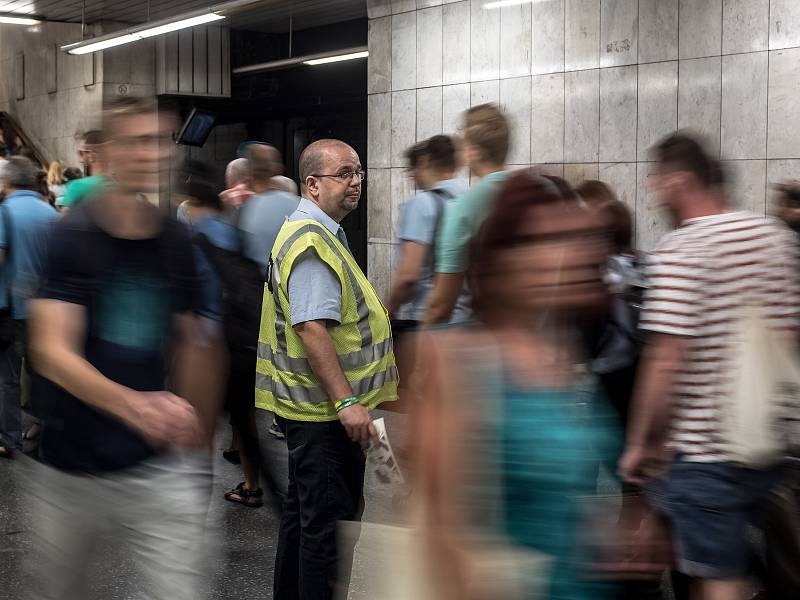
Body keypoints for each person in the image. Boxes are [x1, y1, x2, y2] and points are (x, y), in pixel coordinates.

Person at [25, 97, 217, 600]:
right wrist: (135, 405)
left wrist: (196, 439)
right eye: (139, 141)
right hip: (73, 464)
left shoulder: (175, 239)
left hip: (154, 464)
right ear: (107, 153)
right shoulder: (74, 235)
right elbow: (51, 349)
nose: (155, 153)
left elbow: (190, 335)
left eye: (162, 140)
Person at [413, 171, 620, 599]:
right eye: (538, 242)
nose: (560, 257)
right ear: (499, 256)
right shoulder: (460, 360)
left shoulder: (565, 349)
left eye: (567, 240)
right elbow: (443, 533)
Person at [619, 133, 800, 600]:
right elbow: (790, 337)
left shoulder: (684, 248)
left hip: (705, 454)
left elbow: (665, 360)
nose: (654, 192)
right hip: (767, 440)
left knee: (718, 577)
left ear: (680, 180)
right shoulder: (774, 237)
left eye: (657, 181)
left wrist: (641, 443)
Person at [256, 139, 398, 599]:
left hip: (315, 414)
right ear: (313, 184)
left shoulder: (315, 231)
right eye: (344, 174)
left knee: (304, 522)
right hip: (325, 416)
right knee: (329, 532)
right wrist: (347, 400)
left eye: (359, 172)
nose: (355, 182)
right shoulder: (312, 242)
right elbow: (311, 327)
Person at [423, 103, 510, 324]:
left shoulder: (465, 207)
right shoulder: (532, 189)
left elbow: (440, 305)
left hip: (489, 337)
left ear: (473, 151)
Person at [0, 157, 58, 459]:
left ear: (8, 182)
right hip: (46, 309)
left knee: (7, 378)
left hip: (11, 310)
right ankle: (46, 434)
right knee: (43, 375)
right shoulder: (49, 211)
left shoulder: (4, 211)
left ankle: (9, 439)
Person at [387, 135, 469, 327]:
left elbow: (408, 276)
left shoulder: (422, 204)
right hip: (466, 319)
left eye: (412, 167)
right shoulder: (470, 199)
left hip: (426, 318)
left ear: (425, 162)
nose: (410, 174)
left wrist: (388, 311)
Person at [60, 130, 112, 211]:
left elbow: (64, 221)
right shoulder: (120, 188)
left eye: (81, 153)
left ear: (91, 155)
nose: (80, 160)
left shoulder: (77, 186)